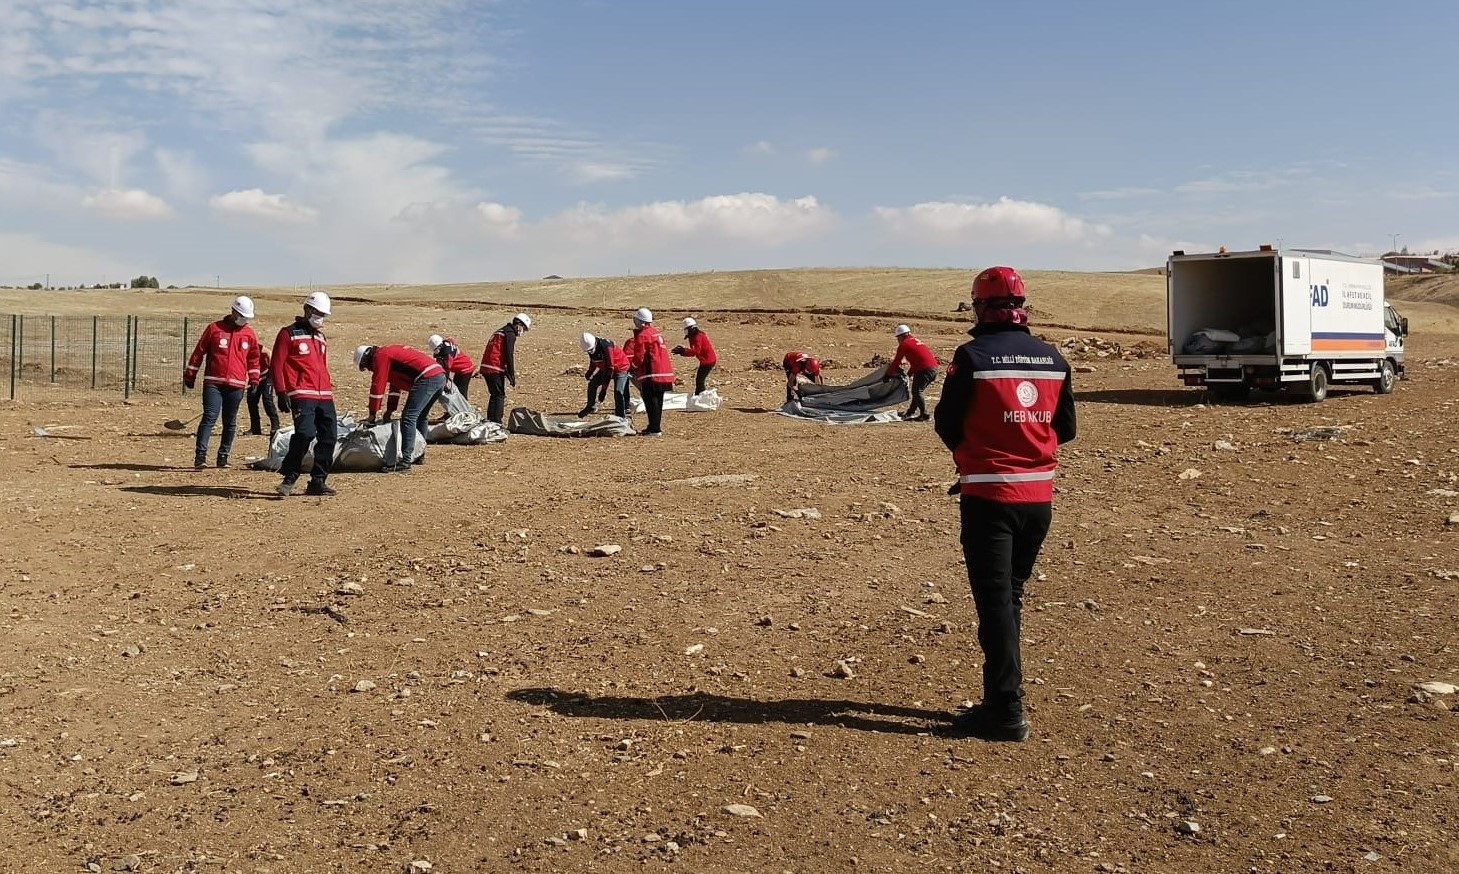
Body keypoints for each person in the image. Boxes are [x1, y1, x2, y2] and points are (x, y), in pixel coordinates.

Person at [933, 266, 1076, 742]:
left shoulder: (971, 356)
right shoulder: (1053, 359)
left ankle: (1006, 711)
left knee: (994, 604)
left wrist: (973, 452)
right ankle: (1002, 698)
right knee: (1010, 597)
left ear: (979, 307)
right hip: (1039, 499)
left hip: (989, 496)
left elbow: (946, 420)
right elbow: (1067, 428)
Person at [272, 291, 338, 497]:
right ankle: (290, 474)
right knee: (305, 433)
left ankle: (318, 481)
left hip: (325, 395)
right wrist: (281, 392)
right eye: (318, 313)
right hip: (302, 393)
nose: (321, 317)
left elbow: (321, 365)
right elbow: (277, 363)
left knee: (329, 437)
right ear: (307, 310)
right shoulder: (288, 333)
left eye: (324, 314)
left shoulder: (321, 337)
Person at [183, 295, 261, 470]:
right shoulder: (214, 329)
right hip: (214, 383)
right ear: (233, 311)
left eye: (246, 317)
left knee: (230, 421)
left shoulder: (249, 334)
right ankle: (200, 456)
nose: (243, 319)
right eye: (241, 315)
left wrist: (254, 379)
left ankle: (223, 457)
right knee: (210, 417)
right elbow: (199, 352)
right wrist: (190, 375)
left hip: (237, 385)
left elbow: (254, 359)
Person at [355, 344, 447, 473]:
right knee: (421, 416)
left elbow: (377, 385)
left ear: (367, 358)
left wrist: (372, 414)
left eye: (366, 367)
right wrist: (390, 410)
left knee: (409, 417)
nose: (369, 370)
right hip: (439, 375)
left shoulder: (380, 356)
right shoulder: (389, 354)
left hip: (427, 377)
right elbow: (395, 386)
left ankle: (406, 460)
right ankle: (419, 454)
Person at [623, 307, 674, 437]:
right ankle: (654, 426)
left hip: (652, 373)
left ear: (640, 321)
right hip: (664, 372)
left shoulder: (643, 336)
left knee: (650, 400)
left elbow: (639, 356)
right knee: (658, 400)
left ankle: (654, 429)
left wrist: (632, 367)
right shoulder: (656, 334)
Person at [478, 313, 531, 424]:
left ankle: (491, 420)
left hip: (486, 366)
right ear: (519, 325)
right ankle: (496, 421)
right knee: (499, 395)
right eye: (524, 329)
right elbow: (509, 353)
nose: (523, 332)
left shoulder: (502, 331)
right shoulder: (510, 333)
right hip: (494, 367)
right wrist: (511, 373)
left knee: (495, 394)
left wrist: (506, 371)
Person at [885, 324, 939, 421]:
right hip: (932, 368)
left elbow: (897, 361)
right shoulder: (915, 341)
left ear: (901, 336)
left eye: (898, 338)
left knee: (917, 391)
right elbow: (917, 361)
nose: (898, 340)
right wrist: (908, 375)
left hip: (925, 370)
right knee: (917, 391)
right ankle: (910, 412)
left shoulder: (904, 344)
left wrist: (888, 374)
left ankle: (925, 415)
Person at [579, 331, 631, 418]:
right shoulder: (591, 347)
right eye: (588, 351)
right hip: (605, 368)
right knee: (592, 384)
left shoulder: (606, 347)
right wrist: (590, 371)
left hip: (620, 368)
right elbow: (593, 360)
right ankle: (591, 406)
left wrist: (604, 390)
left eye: (591, 350)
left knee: (618, 391)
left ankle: (620, 415)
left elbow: (610, 369)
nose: (591, 352)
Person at [672, 317, 718, 395]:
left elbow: (695, 351)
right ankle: (699, 395)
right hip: (706, 360)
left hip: (707, 361)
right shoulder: (695, 335)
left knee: (699, 380)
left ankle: (700, 396)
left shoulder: (697, 337)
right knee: (699, 380)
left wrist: (683, 351)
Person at [246, 347, 281, 437]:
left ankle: (275, 426)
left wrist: (273, 367)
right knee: (251, 400)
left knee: (267, 399)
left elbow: (268, 352)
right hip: (253, 377)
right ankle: (255, 428)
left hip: (266, 375)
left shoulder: (253, 345)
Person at [428, 334, 476, 398]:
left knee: (461, 393)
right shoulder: (444, 345)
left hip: (465, 369)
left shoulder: (447, 353)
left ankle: (464, 407)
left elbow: (446, 369)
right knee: (456, 391)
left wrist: (445, 384)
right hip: (460, 370)